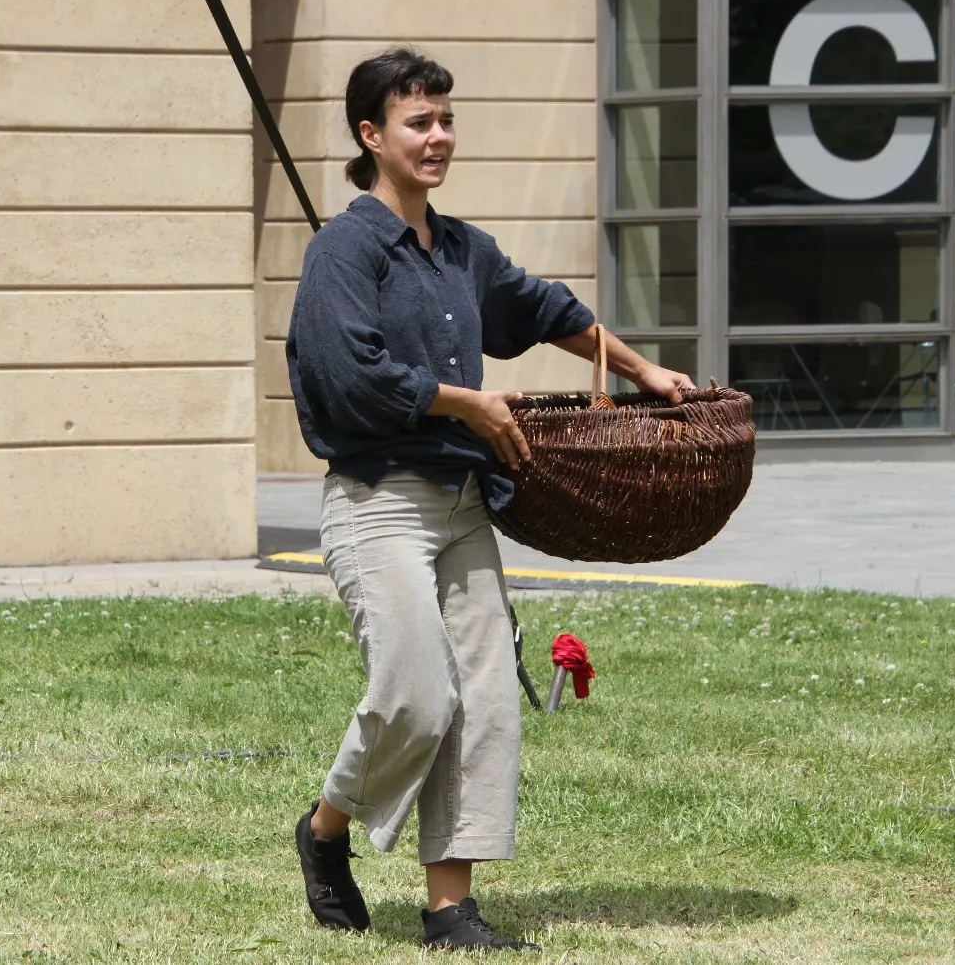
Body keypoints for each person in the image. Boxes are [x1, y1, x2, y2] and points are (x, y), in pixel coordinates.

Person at [286, 47, 695, 951]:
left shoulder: (463, 250)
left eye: (445, 121)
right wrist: (464, 400)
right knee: (417, 694)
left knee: (483, 700)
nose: (437, 138)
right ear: (370, 135)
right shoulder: (342, 252)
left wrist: (641, 369)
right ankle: (325, 830)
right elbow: (346, 374)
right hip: (377, 502)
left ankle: (449, 909)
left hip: (464, 503)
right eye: (417, 122)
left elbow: (546, 309)